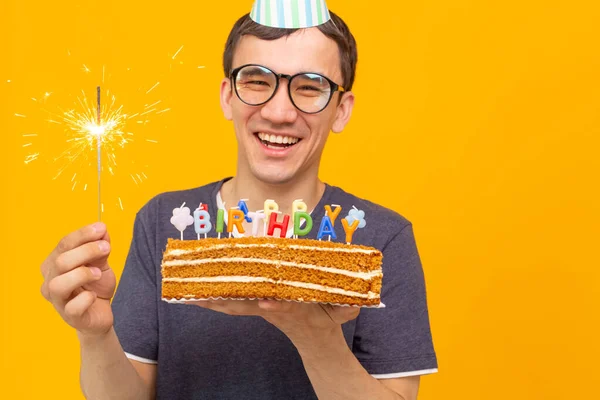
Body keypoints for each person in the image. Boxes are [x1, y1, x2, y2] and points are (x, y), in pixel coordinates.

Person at [40, 3, 437, 399]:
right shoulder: (163, 223)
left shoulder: (382, 239)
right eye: (257, 81)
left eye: (310, 86)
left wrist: (310, 330)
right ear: (228, 96)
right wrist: (96, 336)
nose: (279, 112)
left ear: (341, 110)